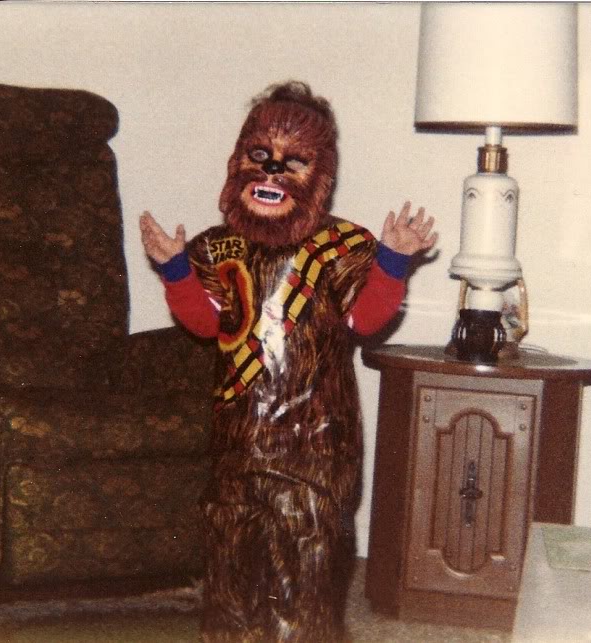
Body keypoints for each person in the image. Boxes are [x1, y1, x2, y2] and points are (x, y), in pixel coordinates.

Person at [140, 81, 436, 642]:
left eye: (293, 161)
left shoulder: (342, 247)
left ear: (321, 174)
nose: (272, 171)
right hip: (238, 439)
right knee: (230, 553)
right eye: (260, 155)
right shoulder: (216, 247)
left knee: (308, 557)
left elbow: (367, 322)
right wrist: (176, 270)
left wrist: (393, 262)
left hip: (315, 445)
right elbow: (204, 325)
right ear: (237, 160)